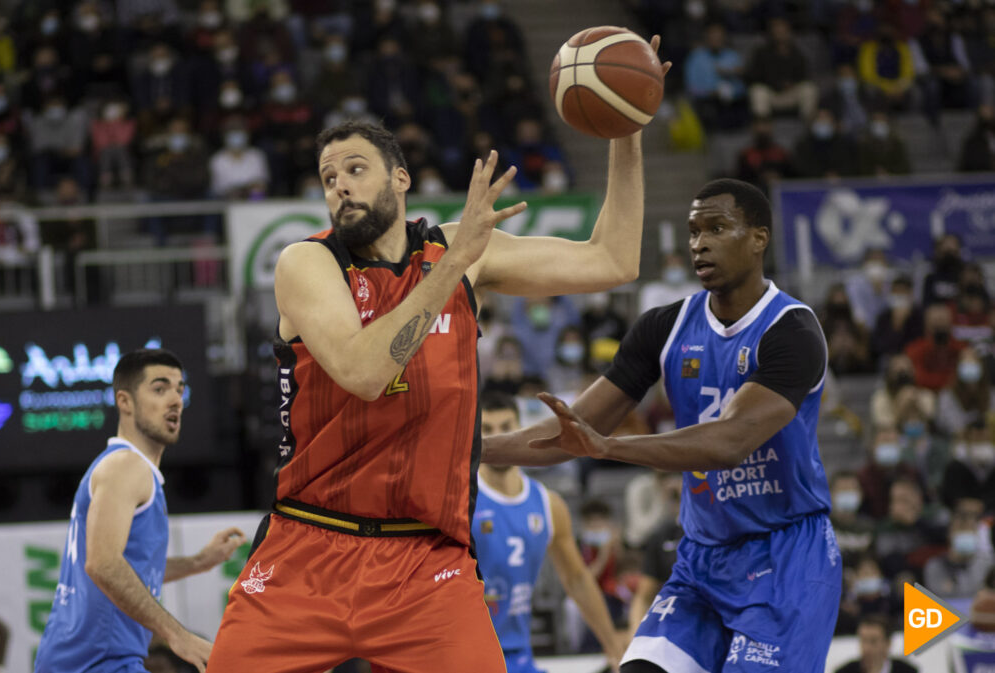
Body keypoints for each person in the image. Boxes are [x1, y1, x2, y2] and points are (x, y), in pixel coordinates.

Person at [208, 36, 669, 673]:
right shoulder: (308, 263)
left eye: (355, 169)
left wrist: (627, 126)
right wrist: (455, 263)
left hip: (425, 562)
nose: (340, 186)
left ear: (401, 178)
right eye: (328, 178)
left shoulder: (461, 250)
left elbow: (613, 259)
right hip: (307, 550)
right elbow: (367, 372)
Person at [484, 178, 843, 672]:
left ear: (759, 238)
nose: (699, 243)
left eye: (717, 228)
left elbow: (728, 443)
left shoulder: (792, 330)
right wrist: (469, 449)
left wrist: (608, 448)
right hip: (702, 559)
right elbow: (568, 433)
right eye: (694, 230)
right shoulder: (664, 326)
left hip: (786, 558)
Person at [35, 348, 247, 673]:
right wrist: (179, 636)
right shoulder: (126, 466)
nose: (175, 400)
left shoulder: (130, 470)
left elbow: (128, 571)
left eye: (179, 389)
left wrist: (198, 562)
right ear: (125, 402)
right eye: (160, 389)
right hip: (95, 664)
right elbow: (103, 563)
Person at [473, 392, 624, 672]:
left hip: (519, 655)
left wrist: (613, 646)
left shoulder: (547, 504)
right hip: (468, 654)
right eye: (488, 430)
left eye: (506, 428)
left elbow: (577, 578)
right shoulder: (463, 500)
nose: (498, 438)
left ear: (521, 430)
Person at [833, 614, 918, 673]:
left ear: (887, 643)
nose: (866, 648)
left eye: (873, 641)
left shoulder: (907, 671)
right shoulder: (844, 671)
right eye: (863, 640)